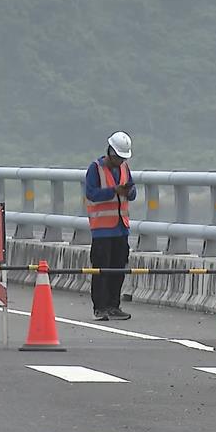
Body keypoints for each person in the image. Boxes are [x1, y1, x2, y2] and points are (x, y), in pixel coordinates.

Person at [85, 131, 137, 321]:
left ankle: (113, 306)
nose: (120, 161)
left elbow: (132, 194)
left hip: (121, 227)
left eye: (123, 158)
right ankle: (100, 307)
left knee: (118, 268)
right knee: (101, 270)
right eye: (118, 158)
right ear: (110, 152)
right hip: (102, 230)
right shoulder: (95, 168)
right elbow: (91, 194)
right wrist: (113, 191)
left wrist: (128, 191)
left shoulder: (124, 168)